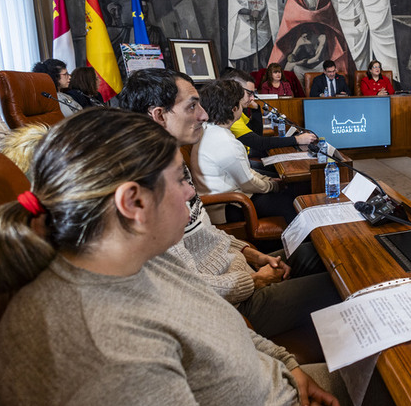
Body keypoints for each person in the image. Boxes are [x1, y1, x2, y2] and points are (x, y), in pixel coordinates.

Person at [0, 108, 411, 406]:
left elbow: (220, 320)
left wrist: (288, 366)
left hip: (281, 403)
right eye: (181, 180)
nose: (194, 194)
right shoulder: (97, 350)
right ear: (132, 201)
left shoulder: (134, 255)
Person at [116, 69, 333, 334]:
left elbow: (203, 229)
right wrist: (254, 280)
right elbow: (186, 287)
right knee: (340, 283)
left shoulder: (170, 162)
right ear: (159, 115)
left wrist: (250, 253)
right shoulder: (146, 189)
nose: (204, 115)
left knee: (324, 252)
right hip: (237, 302)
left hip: (238, 268)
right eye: (192, 106)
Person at [193, 79, 301, 224]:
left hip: (227, 196)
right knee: (290, 202)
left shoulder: (208, 129)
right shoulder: (226, 142)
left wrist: (268, 180)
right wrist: (274, 185)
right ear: (233, 108)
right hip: (226, 205)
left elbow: (246, 171)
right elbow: (248, 183)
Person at [225, 69, 316, 160]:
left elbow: (256, 133)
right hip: (244, 158)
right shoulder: (229, 113)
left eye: (253, 94)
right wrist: (298, 140)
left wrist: (256, 109)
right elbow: (259, 143)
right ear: (236, 90)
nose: (252, 98)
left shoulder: (238, 110)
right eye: (249, 94)